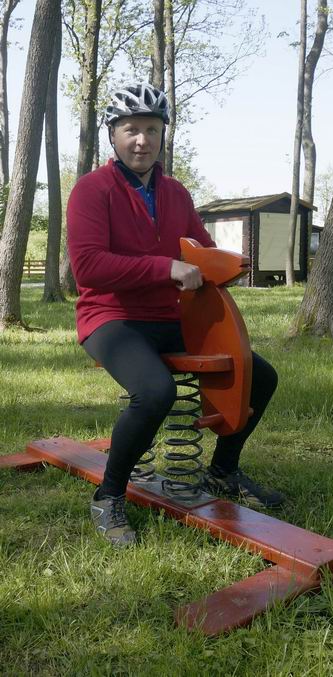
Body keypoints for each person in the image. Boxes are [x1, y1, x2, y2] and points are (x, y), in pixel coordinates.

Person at [67, 82, 284, 547]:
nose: (141, 140)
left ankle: (223, 472)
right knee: (155, 391)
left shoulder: (176, 193)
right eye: (131, 129)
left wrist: (224, 263)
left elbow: (198, 247)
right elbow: (89, 267)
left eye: (151, 130)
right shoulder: (91, 190)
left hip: (171, 319)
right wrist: (166, 268)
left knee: (258, 375)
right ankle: (109, 496)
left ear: (163, 135)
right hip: (111, 317)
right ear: (112, 135)